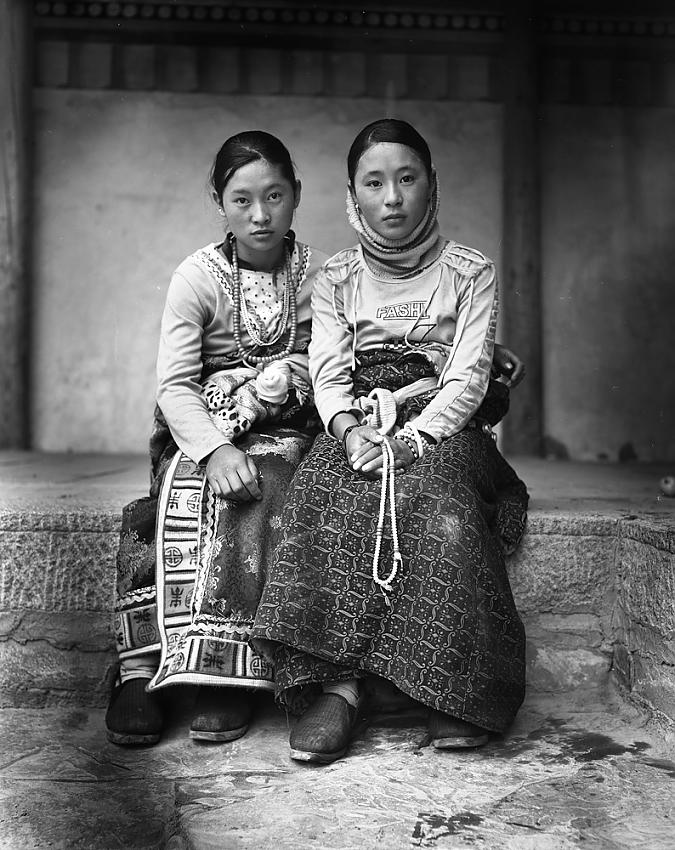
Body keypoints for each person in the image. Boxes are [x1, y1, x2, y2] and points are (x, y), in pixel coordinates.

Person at [251, 118, 529, 764]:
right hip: (358, 419)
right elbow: (325, 369)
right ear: (352, 197)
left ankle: (449, 689)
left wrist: (411, 442)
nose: (392, 198)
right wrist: (347, 432)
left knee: (443, 507)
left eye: (406, 179)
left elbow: (466, 379)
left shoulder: (468, 271)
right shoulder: (337, 276)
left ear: (432, 186)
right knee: (318, 495)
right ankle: (340, 689)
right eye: (373, 183)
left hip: (443, 423)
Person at [105, 130, 330, 745]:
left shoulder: (322, 277)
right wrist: (216, 448)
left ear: (297, 195)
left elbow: (339, 360)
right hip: (206, 423)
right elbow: (174, 387)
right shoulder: (197, 278)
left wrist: (290, 378)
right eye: (242, 200)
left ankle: (227, 677)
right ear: (220, 202)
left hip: (288, 424)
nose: (261, 215)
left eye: (275, 195)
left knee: (267, 489)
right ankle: (139, 668)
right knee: (178, 493)